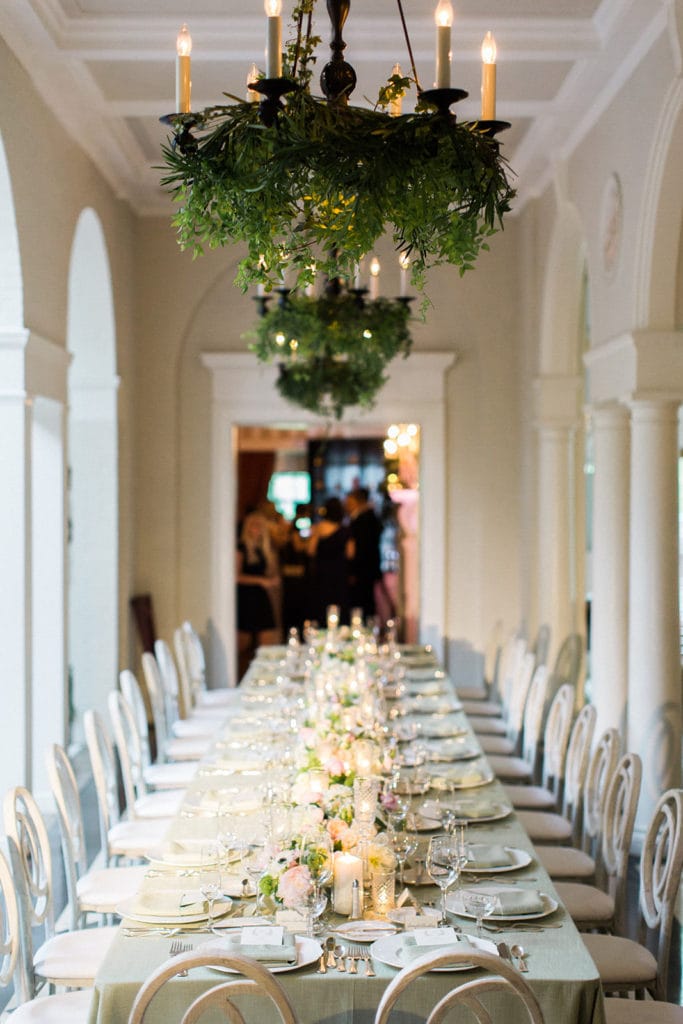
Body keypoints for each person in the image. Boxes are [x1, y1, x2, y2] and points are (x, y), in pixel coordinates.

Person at [236, 511, 280, 677]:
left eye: (261, 527)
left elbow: (269, 573)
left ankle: (265, 677)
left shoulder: (263, 550)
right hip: (247, 599)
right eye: (255, 526)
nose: (258, 530)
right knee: (242, 644)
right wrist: (261, 581)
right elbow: (236, 576)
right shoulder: (241, 548)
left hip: (261, 599)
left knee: (267, 642)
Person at [307, 496, 353, 625]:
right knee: (340, 603)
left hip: (322, 572)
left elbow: (311, 551)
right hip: (339, 572)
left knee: (322, 603)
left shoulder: (318, 528)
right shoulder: (345, 530)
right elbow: (350, 554)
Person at [345, 486, 383, 620]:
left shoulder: (364, 519)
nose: (346, 505)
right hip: (367, 569)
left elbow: (361, 549)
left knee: (363, 602)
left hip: (363, 570)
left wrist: (353, 571)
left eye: (349, 502)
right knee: (365, 601)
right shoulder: (368, 516)